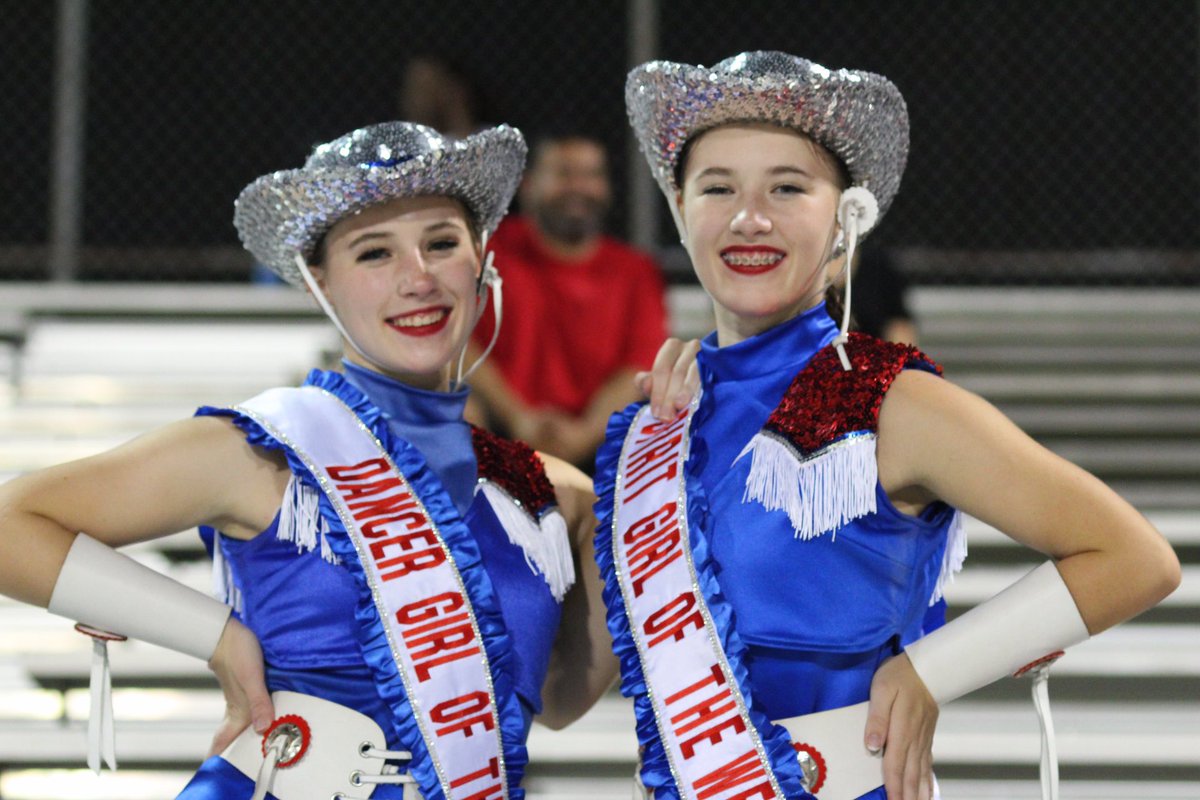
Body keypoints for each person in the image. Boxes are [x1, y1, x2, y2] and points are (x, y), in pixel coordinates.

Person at [600, 52, 1180, 800]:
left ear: (847, 222)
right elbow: (576, 682)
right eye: (718, 189)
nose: (749, 217)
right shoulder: (662, 424)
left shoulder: (887, 397)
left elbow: (1134, 558)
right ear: (680, 214)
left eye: (787, 187)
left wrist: (932, 669)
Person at [0, 122, 622, 799]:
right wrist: (217, 637)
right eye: (374, 253)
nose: (418, 278)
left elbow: (556, 702)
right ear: (316, 280)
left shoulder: (553, 496)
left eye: (441, 243)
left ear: (483, 262)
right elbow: (12, 524)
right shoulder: (263, 448)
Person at [467, 132, 669, 470]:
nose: (579, 186)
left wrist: (584, 434)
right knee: (458, 408)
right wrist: (519, 419)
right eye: (563, 173)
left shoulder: (634, 270)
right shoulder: (486, 254)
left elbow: (639, 365)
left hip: (600, 441)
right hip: (501, 431)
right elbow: (458, 345)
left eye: (591, 175)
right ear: (528, 185)